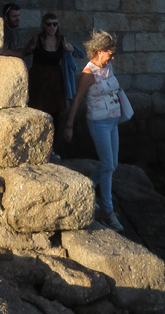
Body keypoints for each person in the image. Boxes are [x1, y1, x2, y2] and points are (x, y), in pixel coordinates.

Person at [63, 29, 123, 232]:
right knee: (107, 164)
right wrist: (69, 125)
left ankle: (88, 186)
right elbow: (78, 98)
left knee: (112, 164)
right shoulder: (88, 73)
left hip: (113, 120)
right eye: (110, 53)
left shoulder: (109, 67)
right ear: (98, 51)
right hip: (98, 123)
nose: (112, 57)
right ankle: (108, 212)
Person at [24, 13, 78, 155]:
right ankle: (36, 147)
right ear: (43, 25)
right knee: (38, 111)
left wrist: (71, 48)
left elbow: (79, 53)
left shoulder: (61, 40)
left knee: (56, 114)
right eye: (49, 24)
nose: (52, 27)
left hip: (55, 80)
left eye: (55, 24)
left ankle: (51, 148)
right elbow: (24, 52)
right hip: (39, 79)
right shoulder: (38, 40)